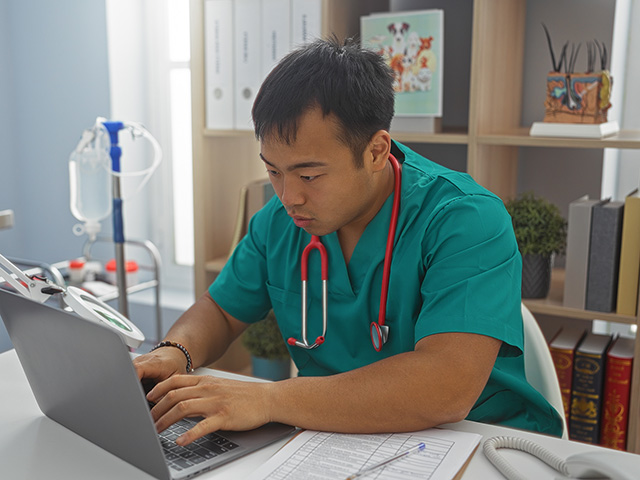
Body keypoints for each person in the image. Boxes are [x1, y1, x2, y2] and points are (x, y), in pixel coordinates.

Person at [134, 37, 563, 447]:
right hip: (333, 435)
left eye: (309, 175)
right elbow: (222, 312)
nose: (289, 197)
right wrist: (175, 352)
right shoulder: (279, 223)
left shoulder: (465, 219)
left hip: (477, 439)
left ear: (377, 151)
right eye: (274, 171)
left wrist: (268, 400)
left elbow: (444, 388)